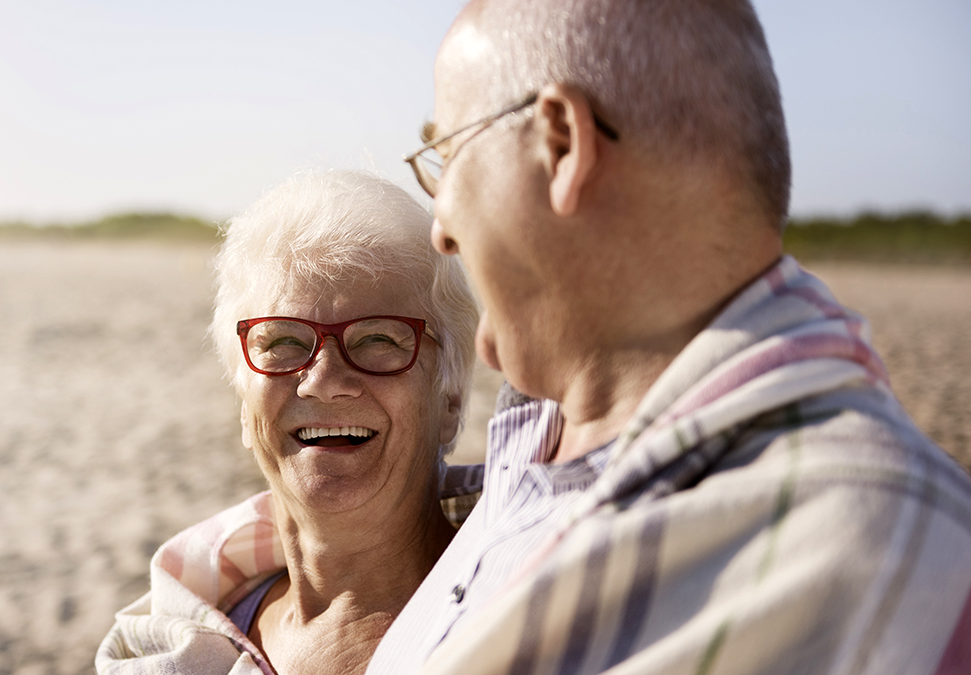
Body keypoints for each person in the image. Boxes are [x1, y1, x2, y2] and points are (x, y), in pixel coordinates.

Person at [368, 1, 971, 674]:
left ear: (561, 144)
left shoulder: (892, 560)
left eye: (447, 156)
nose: (440, 227)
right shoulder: (536, 436)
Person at [95, 169, 480, 675]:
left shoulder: (509, 615)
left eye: (379, 340)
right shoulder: (182, 636)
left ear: (449, 400)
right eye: (281, 342)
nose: (322, 380)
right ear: (243, 404)